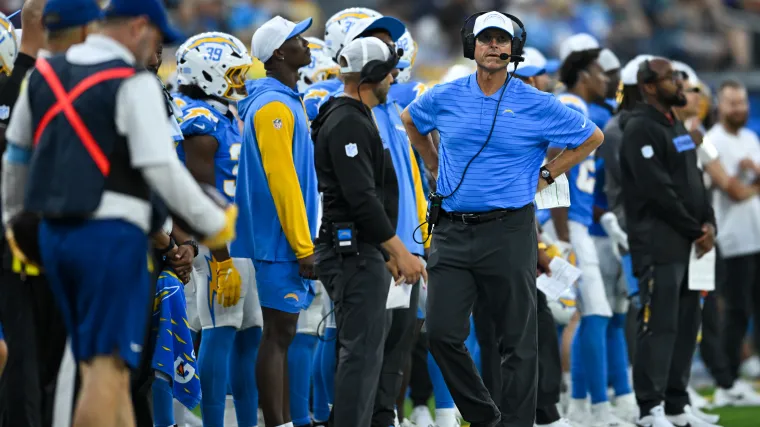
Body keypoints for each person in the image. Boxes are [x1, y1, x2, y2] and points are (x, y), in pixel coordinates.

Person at [1, 0, 238, 426]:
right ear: (138, 28)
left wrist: (15, 222)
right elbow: (160, 167)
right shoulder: (133, 81)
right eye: (155, 36)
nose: (155, 46)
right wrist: (212, 223)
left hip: (54, 237)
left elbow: (17, 156)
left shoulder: (44, 75)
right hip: (112, 241)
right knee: (105, 370)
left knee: (97, 367)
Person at [402, 12, 603, 427]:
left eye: (502, 40)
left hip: (510, 229)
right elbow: (411, 121)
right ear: (471, 46)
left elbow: (592, 137)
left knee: (517, 341)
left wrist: (547, 173)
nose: (494, 46)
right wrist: (433, 164)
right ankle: (487, 418)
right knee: (441, 334)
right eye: (485, 39)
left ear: (514, 47)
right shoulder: (445, 94)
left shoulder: (536, 102)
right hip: (453, 230)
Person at [311, 36, 426, 427]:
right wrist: (399, 251)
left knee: (366, 354)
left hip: (362, 251)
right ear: (372, 74)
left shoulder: (354, 115)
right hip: (352, 251)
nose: (393, 78)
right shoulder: (347, 120)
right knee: (360, 356)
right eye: (388, 71)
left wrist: (387, 253)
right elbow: (361, 199)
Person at [0, 2, 94, 426]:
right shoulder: (41, 86)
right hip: (39, 242)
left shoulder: (36, 83)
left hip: (28, 241)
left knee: (31, 362)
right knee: (40, 365)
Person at [172, 31, 264, 427]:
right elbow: (200, 193)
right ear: (209, 72)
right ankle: (211, 421)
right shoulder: (198, 118)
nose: (240, 79)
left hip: (242, 240)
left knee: (249, 336)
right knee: (219, 332)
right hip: (217, 246)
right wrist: (219, 255)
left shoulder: (226, 113)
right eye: (233, 71)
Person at [619, 57, 717, 427]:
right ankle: (650, 408)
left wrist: (709, 222)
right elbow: (657, 190)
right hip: (659, 242)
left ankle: (677, 405)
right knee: (659, 326)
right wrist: (697, 228)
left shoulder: (674, 125)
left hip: (691, 241)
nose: (680, 83)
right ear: (648, 86)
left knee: (686, 325)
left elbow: (694, 180)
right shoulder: (640, 129)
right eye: (671, 78)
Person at [231, 15, 318, 427]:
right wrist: (304, 246)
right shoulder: (272, 108)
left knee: (281, 334)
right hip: (276, 243)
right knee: (278, 335)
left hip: (278, 240)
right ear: (279, 52)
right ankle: (277, 424)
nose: (306, 43)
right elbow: (283, 183)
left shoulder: (284, 100)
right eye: (297, 39)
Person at [704, 80, 760, 407]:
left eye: (741, 102)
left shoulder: (751, 137)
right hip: (732, 237)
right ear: (719, 106)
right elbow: (734, 192)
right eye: (732, 103)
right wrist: (749, 181)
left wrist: (750, 178)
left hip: (755, 234)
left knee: (751, 308)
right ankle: (728, 379)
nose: (739, 108)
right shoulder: (713, 141)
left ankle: (742, 370)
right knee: (736, 311)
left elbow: (743, 187)